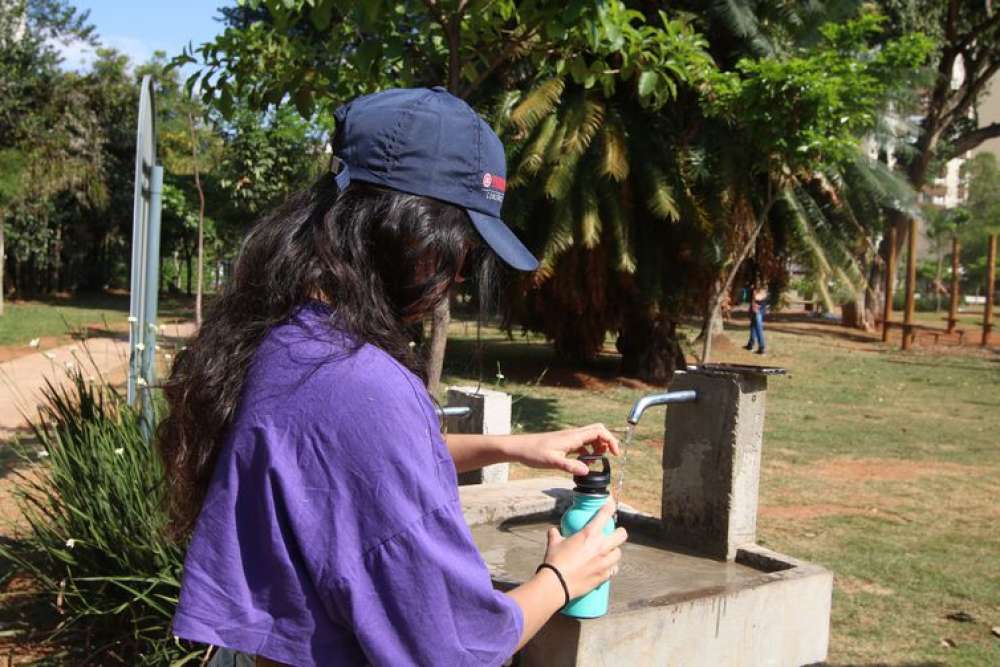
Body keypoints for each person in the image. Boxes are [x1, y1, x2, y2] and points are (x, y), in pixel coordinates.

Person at [157, 87, 627, 667]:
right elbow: (451, 645)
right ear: (403, 231)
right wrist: (561, 578)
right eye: (459, 247)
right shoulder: (361, 386)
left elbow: (337, 469)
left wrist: (509, 446)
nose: (459, 275)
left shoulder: (294, 335)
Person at [745, 283, 769, 354]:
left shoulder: (762, 290)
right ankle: (750, 345)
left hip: (758, 311)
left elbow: (758, 298)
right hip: (756, 310)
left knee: (758, 329)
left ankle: (762, 348)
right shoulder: (757, 289)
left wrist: (754, 293)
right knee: (752, 326)